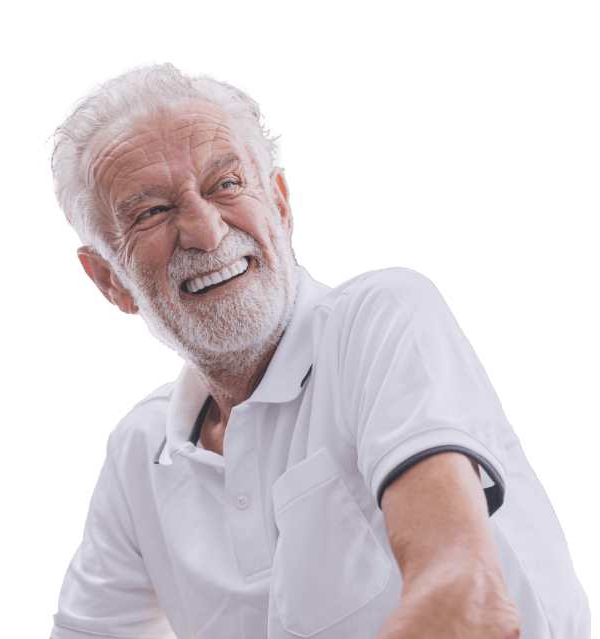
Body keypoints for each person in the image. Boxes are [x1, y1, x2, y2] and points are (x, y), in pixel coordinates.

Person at [45, 61, 590, 639]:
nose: (205, 231)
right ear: (110, 280)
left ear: (279, 203)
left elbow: (465, 602)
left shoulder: (380, 319)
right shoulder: (139, 454)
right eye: (152, 212)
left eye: (226, 185)